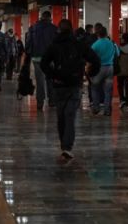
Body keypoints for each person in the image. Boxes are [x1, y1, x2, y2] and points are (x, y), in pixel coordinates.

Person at [40, 19, 100, 163]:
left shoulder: (54, 45)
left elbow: (43, 63)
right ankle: (67, 147)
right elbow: (95, 60)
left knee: (61, 116)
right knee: (70, 115)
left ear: (59, 30)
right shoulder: (79, 44)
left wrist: (53, 75)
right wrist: (90, 74)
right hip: (74, 84)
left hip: (59, 85)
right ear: (72, 29)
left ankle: (64, 145)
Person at [26, 10, 58, 109]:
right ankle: (52, 101)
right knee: (50, 79)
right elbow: (57, 44)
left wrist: (29, 54)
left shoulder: (33, 28)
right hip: (50, 58)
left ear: (41, 17)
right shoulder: (54, 29)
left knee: (40, 81)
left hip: (37, 58)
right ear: (50, 18)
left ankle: (40, 102)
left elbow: (28, 43)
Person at [90, 26, 119, 116]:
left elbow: (90, 56)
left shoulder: (95, 44)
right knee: (108, 90)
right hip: (110, 68)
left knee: (95, 88)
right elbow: (117, 54)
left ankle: (96, 108)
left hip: (99, 68)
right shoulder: (112, 43)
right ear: (106, 34)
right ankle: (107, 110)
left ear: (97, 34)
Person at [117, 32, 128, 110]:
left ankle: (122, 100)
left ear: (123, 39)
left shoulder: (118, 48)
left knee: (120, 86)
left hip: (120, 70)